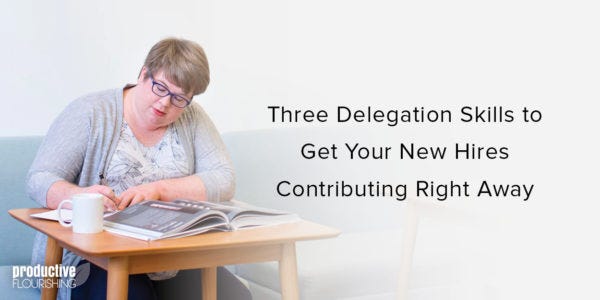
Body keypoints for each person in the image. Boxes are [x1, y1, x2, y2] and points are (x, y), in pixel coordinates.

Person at [26, 38, 252, 300]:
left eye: (179, 98)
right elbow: (38, 179)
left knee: (236, 296)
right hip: (91, 258)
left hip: (168, 258)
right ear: (143, 74)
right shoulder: (91, 112)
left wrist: (159, 189)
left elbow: (224, 178)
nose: (165, 104)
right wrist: (83, 198)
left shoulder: (192, 117)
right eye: (160, 88)